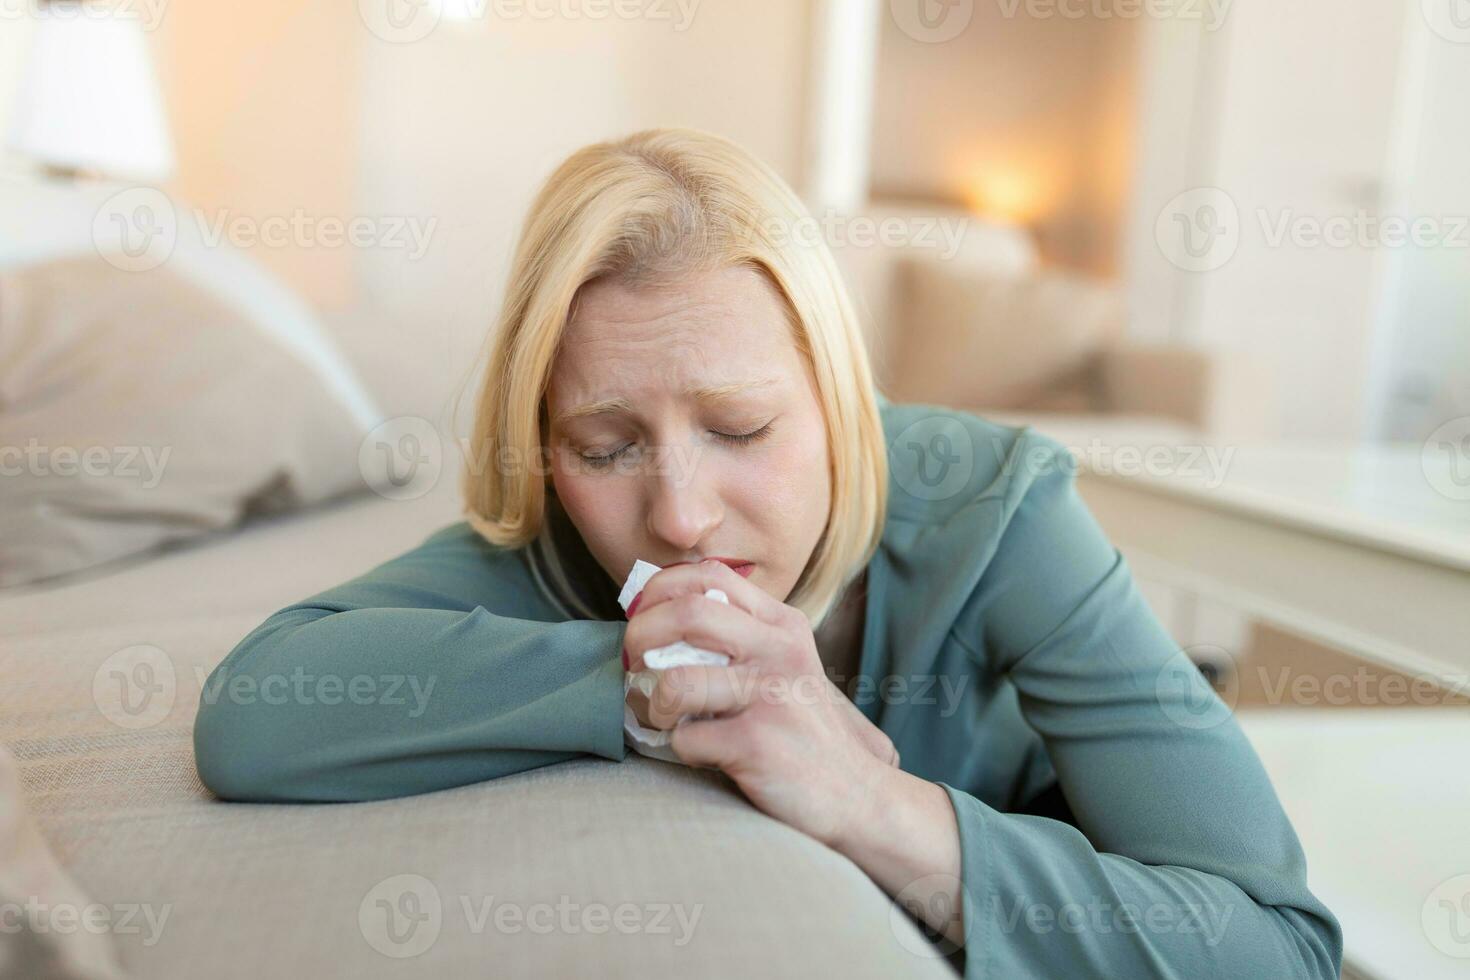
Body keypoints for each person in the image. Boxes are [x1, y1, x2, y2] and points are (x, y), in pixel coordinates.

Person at [194, 127, 1342, 977]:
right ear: (543, 446)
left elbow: (1277, 942)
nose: (682, 515)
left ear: (843, 403)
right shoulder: (548, 548)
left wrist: (879, 808)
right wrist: (661, 684)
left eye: (742, 430)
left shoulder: (998, 509)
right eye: (605, 445)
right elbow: (254, 707)